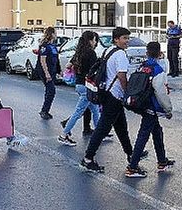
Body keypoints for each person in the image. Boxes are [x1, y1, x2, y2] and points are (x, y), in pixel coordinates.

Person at [81, 27, 144, 173]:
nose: (127, 41)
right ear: (116, 39)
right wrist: (128, 92)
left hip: (107, 93)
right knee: (102, 128)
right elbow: (122, 76)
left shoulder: (108, 50)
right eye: (124, 38)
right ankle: (88, 158)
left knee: (121, 128)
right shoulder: (120, 54)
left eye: (128, 38)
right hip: (115, 96)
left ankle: (131, 155)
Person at [125, 42, 175, 177]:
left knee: (157, 131)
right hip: (151, 107)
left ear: (146, 53)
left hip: (142, 104)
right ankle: (132, 167)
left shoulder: (142, 67)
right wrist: (168, 110)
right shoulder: (157, 69)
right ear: (160, 54)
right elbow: (161, 92)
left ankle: (162, 161)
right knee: (144, 135)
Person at [58, 31, 101, 146]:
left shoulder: (79, 52)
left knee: (95, 109)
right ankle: (64, 134)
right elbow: (94, 71)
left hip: (79, 84)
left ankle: (100, 132)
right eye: (94, 40)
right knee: (78, 112)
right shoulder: (91, 53)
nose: (95, 42)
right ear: (90, 40)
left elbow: (68, 65)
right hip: (87, 86)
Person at [38, 27, 59, 120]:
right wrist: (46, 73)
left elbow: (56, 59)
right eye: (55, 33)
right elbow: (43, 60)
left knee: (49, 90)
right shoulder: (44, 46)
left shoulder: (53, 46)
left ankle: (45, 110)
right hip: (45, 70)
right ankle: (44, 110)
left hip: (52, 70)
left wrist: (59, 70)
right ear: (51, 34)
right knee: (51, 90)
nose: (56, 35)